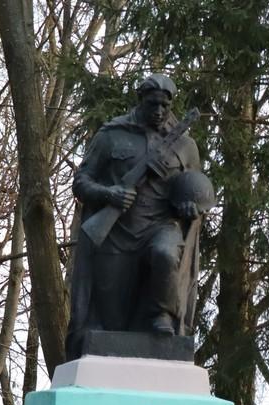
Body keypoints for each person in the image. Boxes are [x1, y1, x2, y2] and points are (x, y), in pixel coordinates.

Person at [67, 73, 206, 357]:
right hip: (117, 232)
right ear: (140, 100)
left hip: (161, 226)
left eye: (165, 106)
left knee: (165, 254)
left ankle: (163, 316)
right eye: (152, 104)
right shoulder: (111, 135)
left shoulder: (185, 145)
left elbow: (195, 190)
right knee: (111, 325)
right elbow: (82, 182)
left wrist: (191, 210)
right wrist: (110, 194)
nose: (159, 112)